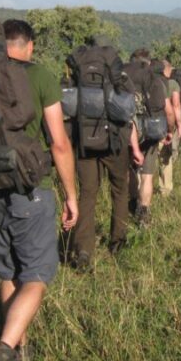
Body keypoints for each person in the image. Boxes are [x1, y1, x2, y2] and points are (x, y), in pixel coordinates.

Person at [0, 19, 78, 361]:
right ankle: (2, 351)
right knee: (36, 274)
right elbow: (59, 142)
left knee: (7, 271)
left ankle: (20, 351)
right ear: (29, 45)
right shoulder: (41, 77)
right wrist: (71, 194)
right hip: (30, 187)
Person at [68, 35, 144, 271]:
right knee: (120, 191)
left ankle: (83, 251)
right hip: (115, 141)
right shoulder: (118, 75)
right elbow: (127, 112)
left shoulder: (76, 72)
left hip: (85, 142)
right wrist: (135, 146)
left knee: (87, 194)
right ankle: (117, 242)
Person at [125, 50, 175, 226]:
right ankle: (144, 213)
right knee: (147, 175)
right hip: (151, 133)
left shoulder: (123, 79)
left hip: (128, 131)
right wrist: (169, 130)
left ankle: (131, 204)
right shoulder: (157, 81)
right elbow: (168, 111)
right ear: (148, 63)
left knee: (130, 171)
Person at [157, 59, 181, 196]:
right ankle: (165, 190)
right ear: (168, 70)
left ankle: (140, 190)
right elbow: (176, 106)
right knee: (165, 158)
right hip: (164, 125)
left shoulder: (149, 82)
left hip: (148, 125)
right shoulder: (172, 84)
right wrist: (177, 125)